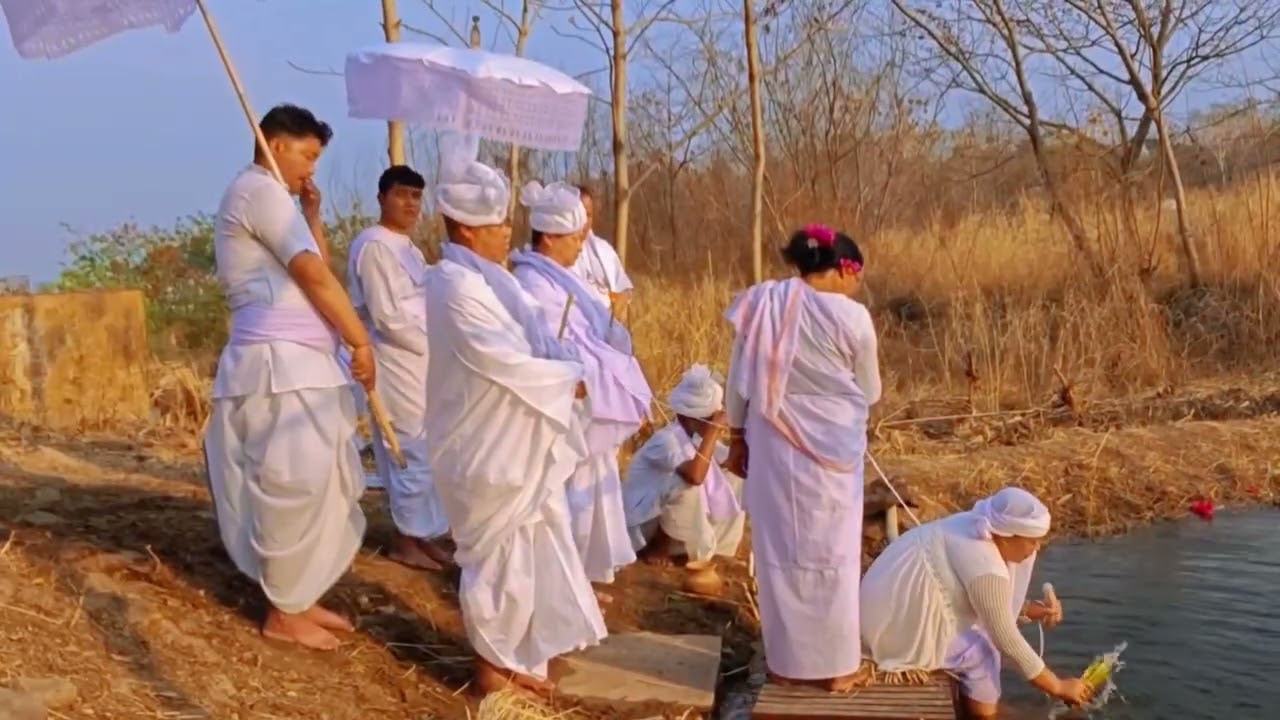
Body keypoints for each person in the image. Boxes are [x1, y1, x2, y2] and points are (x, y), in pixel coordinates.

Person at [424, 161, 606, 698]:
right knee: (497, 554)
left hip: (519, 436)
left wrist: (570, 362)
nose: (508, 232)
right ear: (462, 229)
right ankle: (490, 670)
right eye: (496, 224)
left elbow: (535, 340)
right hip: (485, 441)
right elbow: (497, 357)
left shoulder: (497, 281)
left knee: (532, 542)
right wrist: (566, 377)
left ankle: (519, 657)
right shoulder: (453, 286)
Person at [203, 104, 372, 651]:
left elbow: (310, 258)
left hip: (301, 360)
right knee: (291, 482)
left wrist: (312, 213)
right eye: (308, 155)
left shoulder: (279, 199)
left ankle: (298, 595)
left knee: (320, 479)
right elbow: (311, 273)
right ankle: (282, 609)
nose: (311, 169)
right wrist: (359, 338)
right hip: (276, 364)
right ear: (275, 145)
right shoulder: (258, 191)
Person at [722, 224, 882, 691]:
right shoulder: (854, 319)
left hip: (772, 441)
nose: (856, 286)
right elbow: (870, 391)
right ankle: (837, 669)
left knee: (780, 553)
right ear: (841, 270)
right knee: (833, 554)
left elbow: (738, 381)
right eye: (856, 276)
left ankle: (785, 666)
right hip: (833, 453)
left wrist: (736, 436)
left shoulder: (764, 303)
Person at [510, 181, 650, 604]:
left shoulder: (564, 278)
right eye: (574, 238)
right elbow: (548, 342)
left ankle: (580, 581)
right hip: (563, 405)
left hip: (590, 398)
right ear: (549, 237)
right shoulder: (532, 283)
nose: (580, 246)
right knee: (565, 498)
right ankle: (561, 589)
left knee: (592, 490)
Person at [860, 488, 1093, 717]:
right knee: (982, 650)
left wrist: (1029, 610)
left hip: (877, 622)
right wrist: (1058, 686)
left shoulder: (969, 524)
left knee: (982, 636)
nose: (1037, 548)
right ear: (1007, 536)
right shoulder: (985, 565)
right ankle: (985, 714)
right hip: (891, 638)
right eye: (1032, 541)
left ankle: (977, 702)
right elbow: (1006, 638)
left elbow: (981, 602)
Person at [346, 165, 453, 571]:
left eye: (416, 196)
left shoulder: (412, 250)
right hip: (393, 359)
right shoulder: (373, 246)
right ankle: (404, 539)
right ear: (382, 198)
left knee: (430, 445)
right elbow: (387, 317)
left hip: (423, 362)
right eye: (402, 194)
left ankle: (423, 533)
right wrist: (432, 347)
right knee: (406, 446)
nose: (410, 204)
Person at [624, 364, 745, 566]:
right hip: (642, 525)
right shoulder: (667, 440)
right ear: (689, 417)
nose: (711, 423)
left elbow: (736, 465)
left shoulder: (696, 438)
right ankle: (657, 548)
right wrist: (713, 431)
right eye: (708, 419)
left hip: (668, 523)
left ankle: (717, 549)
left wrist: (739, 433)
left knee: (736, 479)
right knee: (685, 483)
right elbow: (694, 476)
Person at [571, 184, 633, 319]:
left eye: (589, 215)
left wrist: (610, 322)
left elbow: (623, 290)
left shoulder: (603, 250)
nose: (585, 221)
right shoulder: (556, 254)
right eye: (581, 214)